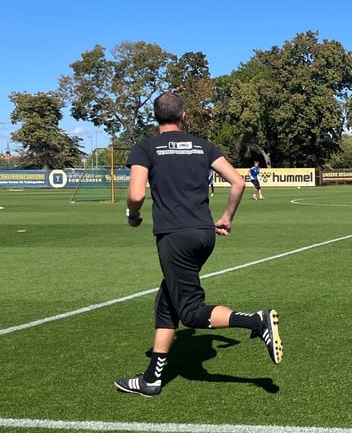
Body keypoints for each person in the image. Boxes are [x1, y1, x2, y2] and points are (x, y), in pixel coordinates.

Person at [115, 92, 282, 397]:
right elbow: (238, 182)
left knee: (190, 312)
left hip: (174, 237)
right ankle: (152, 379)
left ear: (155, 117)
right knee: (167, 300)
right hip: (204, 235)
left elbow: (137, 194)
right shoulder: (202, 145)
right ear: (183, 116)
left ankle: (256, 321)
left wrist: (132, 216)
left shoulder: (146, 147)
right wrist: (227, 218)